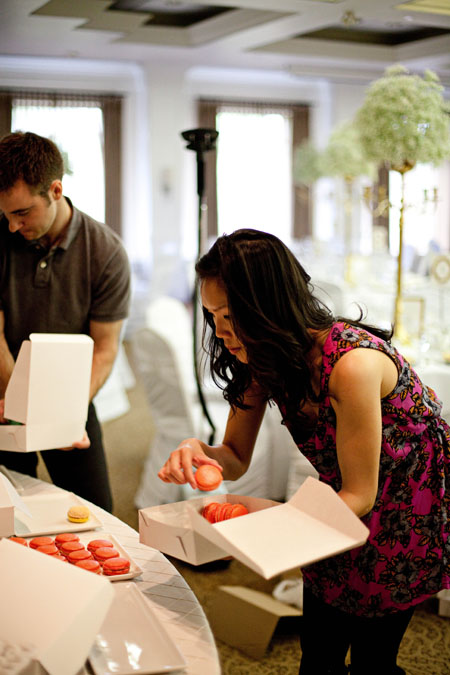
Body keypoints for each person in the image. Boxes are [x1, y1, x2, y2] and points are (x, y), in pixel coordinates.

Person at [158, 228, 450, 675]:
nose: (220, 331)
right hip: (338, 501)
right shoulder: (260, 358)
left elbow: (362, 493)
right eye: (211, 315)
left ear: (268, 306)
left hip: (407, 507)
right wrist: (196, 449)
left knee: (374, 662)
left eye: (230, 315)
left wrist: (275, 532)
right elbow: (235, 456)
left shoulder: (352, 364)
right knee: (319, 654)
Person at [0, 131, 131, 512]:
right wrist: (20, 405)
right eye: (5, 213)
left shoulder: (106, 253)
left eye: (22, 213)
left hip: (70, 397)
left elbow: (105, 350)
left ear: (55, 190)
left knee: (94, 515)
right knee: (10, 518)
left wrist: (60, 411)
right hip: (4, 392)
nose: (11, 226)